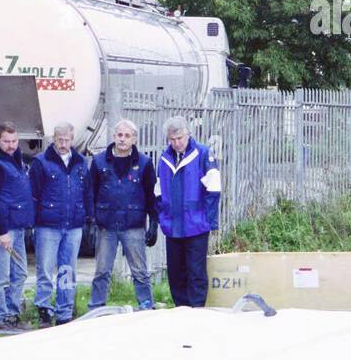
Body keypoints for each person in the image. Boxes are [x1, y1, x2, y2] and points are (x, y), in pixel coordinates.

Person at [89, 119, 158, 311]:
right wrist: (94, 219)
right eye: (119, 135)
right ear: (114, 137)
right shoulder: (98, 161)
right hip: (107, 226)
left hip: (133, 226)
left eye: (127, 136)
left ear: (134, 139)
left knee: (140, 272)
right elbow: (90, 192)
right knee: (102, 271)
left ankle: (146, 307)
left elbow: (152, 195)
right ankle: (96, 308)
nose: (122, 139)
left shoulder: (144, 163)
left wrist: (153, 223)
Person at [27, 122, 90, 327]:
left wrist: (87, 216)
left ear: (73, 139)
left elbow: (86, 191)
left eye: (67, 140)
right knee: (45, 268)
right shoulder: (41, 162)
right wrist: (32, 222)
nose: (63, 144)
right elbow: (33, 194)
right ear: (53, 138)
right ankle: (44, 309)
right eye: (59, 139)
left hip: (73, 226)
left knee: (67, 269)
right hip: (48, 226)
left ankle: (65, 311)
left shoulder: (80, 162)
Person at [156, 116, 220, 308]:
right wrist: (162, 218)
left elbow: (214, 189)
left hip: (196, 225)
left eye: (180, 138)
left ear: (188, 134)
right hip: (172, 225)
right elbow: (158, 191)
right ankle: (181, 309)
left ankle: (197, 310)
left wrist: (207, 221)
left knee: (196, 272)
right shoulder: (164, 158)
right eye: (172, 140)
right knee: (175, 272)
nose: (176, 143)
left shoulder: (203, 154)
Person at [0, 121, 33, 330]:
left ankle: (13, 315)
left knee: (19, 273)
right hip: (3, 229)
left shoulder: (14, 157)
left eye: (14, 141)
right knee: (0, 275)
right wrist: (2, 232)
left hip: (18, 226)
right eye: (6, 141)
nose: (11, 145)